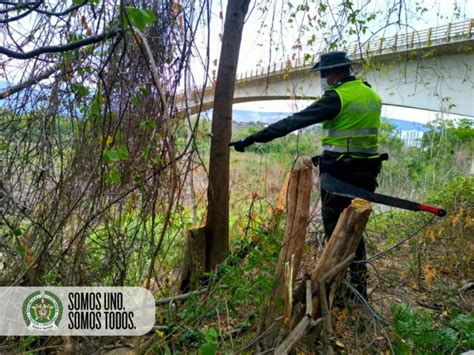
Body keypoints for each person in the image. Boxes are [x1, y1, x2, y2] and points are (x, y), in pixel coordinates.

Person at [230, 51, 387, 303]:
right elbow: (353, 138)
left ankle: (334, 290)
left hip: (339, 175)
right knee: (354, 229)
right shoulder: (371, 94)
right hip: (367, 172)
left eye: (324, 74)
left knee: (334, 229)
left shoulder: (337, 98)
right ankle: (358, 286)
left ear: (337, 73)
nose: (323, 79)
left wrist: (251, 139)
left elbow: (293, 122)